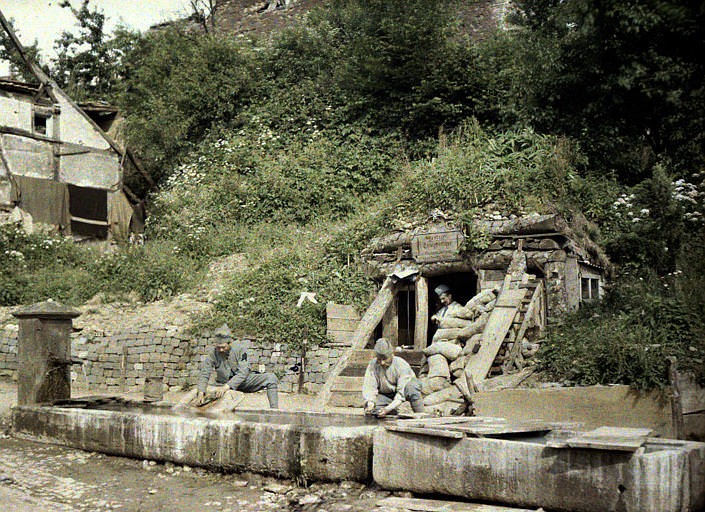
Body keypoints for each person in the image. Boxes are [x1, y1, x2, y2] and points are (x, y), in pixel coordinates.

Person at [179, 324, 279, 409]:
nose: (221, 350)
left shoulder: (240, 349)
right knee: (200, 396)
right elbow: (205, 373)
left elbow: (243, 372)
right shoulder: (213, 353)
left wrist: (226, 387)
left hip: (242, 383)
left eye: (223, 347)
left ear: (230, 343)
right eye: (219, 347)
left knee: (271, 378)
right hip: (222, 384)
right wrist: (201, 392)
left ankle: (275, 411)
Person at [362, 338, 424, 416]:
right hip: (386, 396)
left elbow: (401, 393)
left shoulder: (401, 365)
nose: (382, 362)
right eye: (379, 359)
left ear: (392, 355)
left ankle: (420, 415)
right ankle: (394, 411)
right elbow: (369, 387)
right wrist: (370, 403)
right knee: (373, 407)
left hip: (404, 395)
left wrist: (387, 409)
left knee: (412, 387)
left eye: (385, 359)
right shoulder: (373, 365)